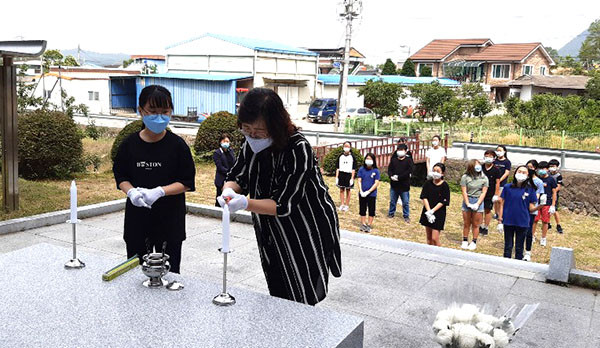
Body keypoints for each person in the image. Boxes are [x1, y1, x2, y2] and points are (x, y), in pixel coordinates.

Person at [218, 88, 341, 306]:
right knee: (276, 277)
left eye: (260, 130)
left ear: (276, 125)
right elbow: (237, 175)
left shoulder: (297, 149)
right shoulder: (250, 144)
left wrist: (245, 202)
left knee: (300, 286)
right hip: (269, 224)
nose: (253, 136)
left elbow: (284, 205)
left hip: (304, 225)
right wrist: (228, 191)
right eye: (247, 129)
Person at [113, 85, 196, 274]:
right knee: (135, 271)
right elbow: (121, 176)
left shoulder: (177, 146)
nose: (159, 117)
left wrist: (159, 191)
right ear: (140, 111)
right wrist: (131, 192)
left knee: (170, 271)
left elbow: (186, 181)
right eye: (152, 111)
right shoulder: (129, 145)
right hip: (137, 220)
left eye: (165, 111)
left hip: (170, 220)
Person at [497, 166, 540, 260]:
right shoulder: (507, 187)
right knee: (508, 246)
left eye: (524, 172)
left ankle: (518, 266)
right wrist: (500, 220)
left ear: (528, 176)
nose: (521, 174)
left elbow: (531, 208)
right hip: (508, 220)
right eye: (519, 171)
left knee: (519, 247)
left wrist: (541, 206)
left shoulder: (530, 189)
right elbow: (501, 204)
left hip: (523, 221)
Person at [460, 159, 489, 250]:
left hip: (478, 200)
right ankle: (465, 240)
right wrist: (467, 203)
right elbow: (464, 191)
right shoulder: (465, 177)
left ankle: (474, 241)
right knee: (466, 223)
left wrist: (478, 203)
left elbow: (483, 192)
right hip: (468, 200)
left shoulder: (484, 178)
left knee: (476, 224)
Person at [419, 163, 450, 246]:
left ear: (442, 173)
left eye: (438, 171)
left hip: (438, 213)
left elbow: (443, 201)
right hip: (427, 211)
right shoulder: (428, 183)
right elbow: (424, 197)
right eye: (434, 171)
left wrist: (433, 211)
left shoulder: (444, 186)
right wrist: (429, 211)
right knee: (429, 238)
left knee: (435, 238)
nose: (435, 173)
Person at [523, 160, 545, 261]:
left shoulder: (538, 182)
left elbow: (538, 196)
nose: (529, 169)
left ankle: (528, 250)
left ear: (535, 168)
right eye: (527, 167)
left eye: (531, 167)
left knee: (529, 229)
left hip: (532, 208)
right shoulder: (524, 179)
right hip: (522, 207)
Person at [532, 161, 558, 247]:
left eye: (543, 169)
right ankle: (532, 235)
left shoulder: (551, 180)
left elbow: (554, 193)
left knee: (545, 221)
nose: (541, 170)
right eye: (540, 169)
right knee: (534, 220)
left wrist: (553, 205)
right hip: (537, 202)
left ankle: (543, 238)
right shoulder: (537, 179)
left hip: (547, 203)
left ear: (547, 169)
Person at [387, 144, 414, 222]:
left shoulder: (408, 160)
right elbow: (390, 169)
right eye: (398, 150)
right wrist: (391, 176)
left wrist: (399, 177)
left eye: (402, 150)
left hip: (404, 185)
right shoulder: (394, 160)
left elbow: (408, 171)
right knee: (392, 201)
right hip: (394, 185)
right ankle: (391, 213)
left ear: (405, 151)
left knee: (405, 202)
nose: (400, 152)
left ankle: (406, 215)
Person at [357, 153, 380, 232]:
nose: (368, 160)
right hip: (362, 193)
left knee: (371, 209)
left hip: (371, 194)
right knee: (362, 208)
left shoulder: (376, 171)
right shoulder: (361, 169)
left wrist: (369, 191)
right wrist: (361, 191)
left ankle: (369, 225)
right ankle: (363, 224)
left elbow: (376, 183)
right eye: (367, 158)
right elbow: (359, 180)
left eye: (370, 159)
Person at [480, 150, 501, 236]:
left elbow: (497, 182)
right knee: (480, 209)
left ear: (494, 158)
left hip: (490, 193)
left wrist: (496, 194)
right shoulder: (480, 167)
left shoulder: (496, 170)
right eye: (486, 156)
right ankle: (480, 225)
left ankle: (486, 226)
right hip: (480, 192)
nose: (488, 158)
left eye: (490, 156)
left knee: (487, 210)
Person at [213, 134, 235, 207]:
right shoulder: (217, 153)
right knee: (219, 197)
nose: (226, 143)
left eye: (228, 141)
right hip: (221, 179)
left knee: (227, 198)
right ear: (220, 142)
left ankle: (226, 210)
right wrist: (228, 173)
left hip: (229, 180)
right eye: (224, 141)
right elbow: (219, 166)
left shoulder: (230, 151)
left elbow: (233, 162)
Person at [335, 141, 357, 212]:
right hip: (341, 174)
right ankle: (342, 204)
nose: (346, 148)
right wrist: (337, 177)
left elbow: (353, 168)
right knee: (341, 189)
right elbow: (337, 167)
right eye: (345, 146)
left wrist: (352, 178)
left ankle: (347, 205)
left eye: (348, 146)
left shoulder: (352, 157)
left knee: (348, 190)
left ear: (350, 148)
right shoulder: (340, 156)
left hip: (348, 174)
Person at [493, 145, 511, 219]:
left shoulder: (507, 162)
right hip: (494, 183)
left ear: (504, 151)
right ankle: (496, 213)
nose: (498, 152)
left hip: (502, 184)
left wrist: (499, 180)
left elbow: (506, 173)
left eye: (500, 150)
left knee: (500, 200)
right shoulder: (494, 161)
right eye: (497, 150)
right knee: (495, 199)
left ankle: (501, 213)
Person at [548, 159, 564, 234]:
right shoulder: (547, 174)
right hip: (547, 194)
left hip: (554, 194)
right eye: (550, 166)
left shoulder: (558, 176)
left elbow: (558, 187)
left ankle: (558, 225)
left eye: (553, 166)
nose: (551, 168)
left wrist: (553, 192)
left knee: (555, 210)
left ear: (557, 167)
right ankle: (547, 223)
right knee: (546, 209)